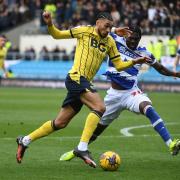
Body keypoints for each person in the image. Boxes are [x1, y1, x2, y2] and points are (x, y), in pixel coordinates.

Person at [16, 12, 149, 168]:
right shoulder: (84, 30)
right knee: (100, 107)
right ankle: (82, 148)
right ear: (98, 22)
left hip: (84, 82)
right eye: (106, 26)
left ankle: (25, 140)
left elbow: (119, 65)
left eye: (110, 27)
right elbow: (57, 35)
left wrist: (134, 61)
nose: (108, 30)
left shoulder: (110, 42)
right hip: (76, 77)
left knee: (60, 123)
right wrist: (50, 23)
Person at [60, 26, 180, 162]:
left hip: (131, 93)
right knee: (98, 129)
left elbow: (160, 68)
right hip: (113, 96)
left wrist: (174, 74)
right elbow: (101, 30)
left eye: (136, 39)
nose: (133, 41)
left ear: (140, 39)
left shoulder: (144, 53)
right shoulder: (115, 40)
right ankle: (78, 150)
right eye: (131, 38)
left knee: (148, 108)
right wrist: (115, 29)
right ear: (125, 36)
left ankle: (170, 143)